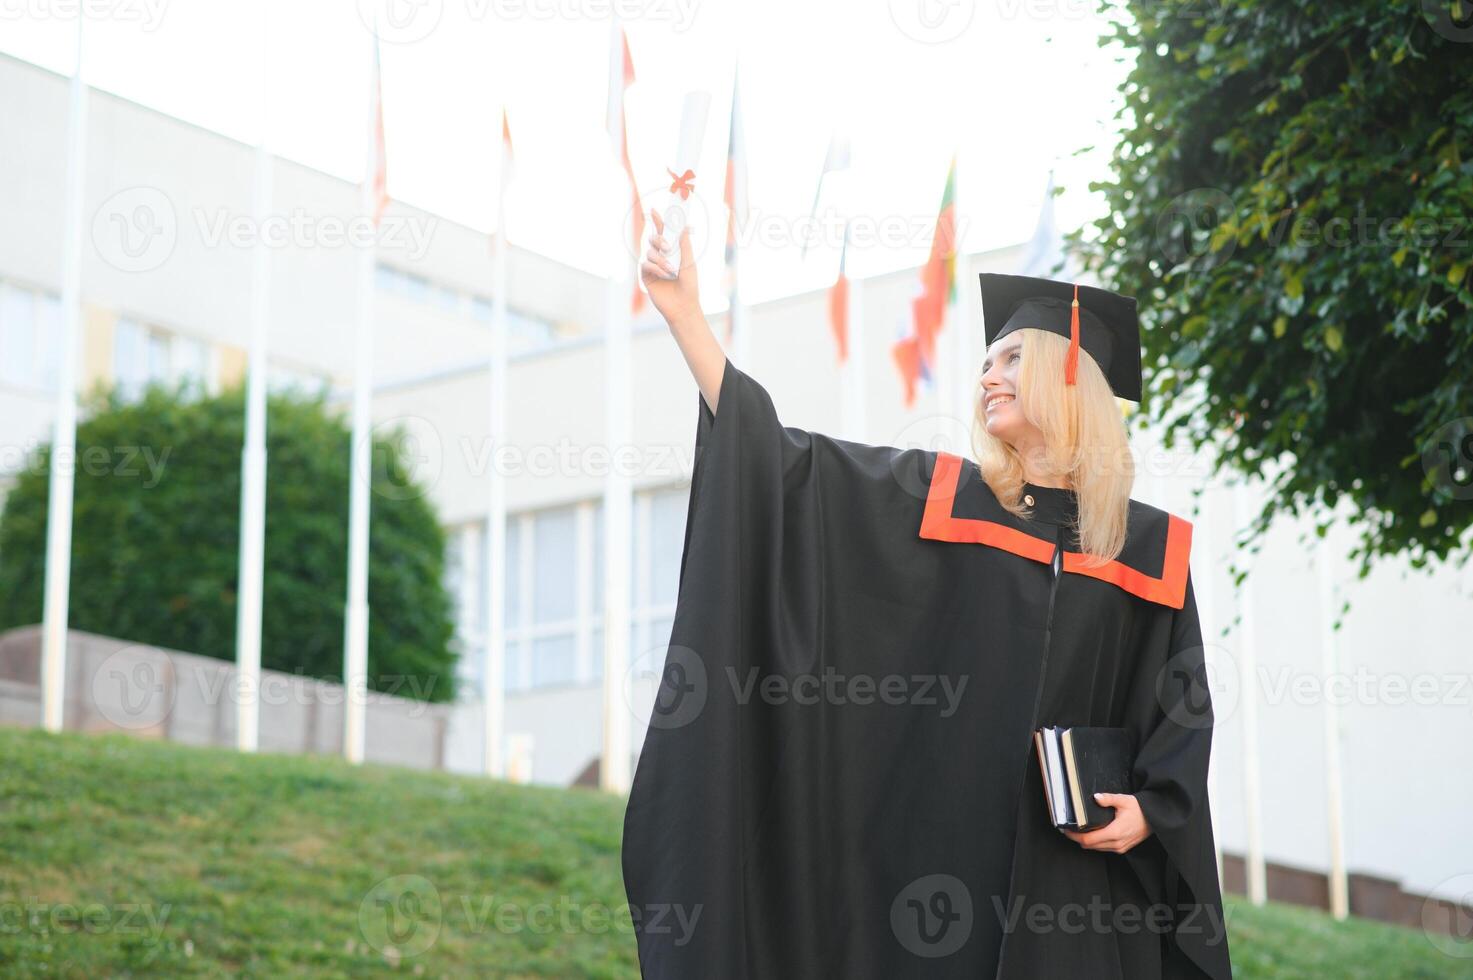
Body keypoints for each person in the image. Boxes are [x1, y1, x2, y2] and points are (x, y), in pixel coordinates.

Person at [621, 209, 1233, 979]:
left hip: (1078, 886)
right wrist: (684, 316)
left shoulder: (1149, 549)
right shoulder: (939, 499)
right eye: (985, 362)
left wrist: (1152, 809)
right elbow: (782, 464)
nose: (987, 375)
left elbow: (1180, 711)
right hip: (936, 870)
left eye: (1011, 358)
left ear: (1067, 373)